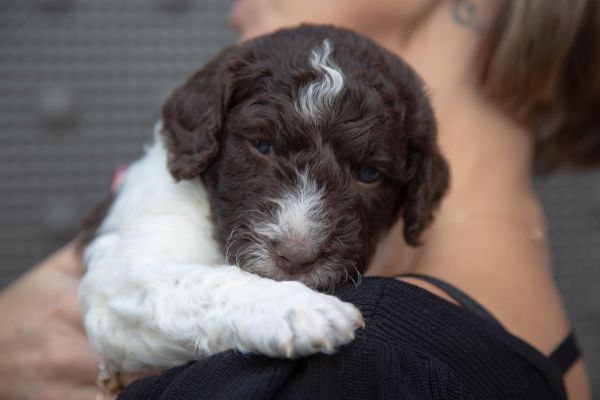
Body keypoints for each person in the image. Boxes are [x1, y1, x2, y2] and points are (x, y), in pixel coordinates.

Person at [0, 0, 597, 398]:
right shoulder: (527, 316)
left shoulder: (372, 363)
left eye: (366, 173)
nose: (237, 7)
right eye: (261, 144)